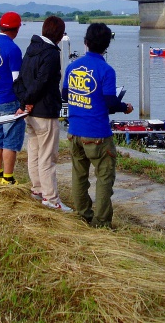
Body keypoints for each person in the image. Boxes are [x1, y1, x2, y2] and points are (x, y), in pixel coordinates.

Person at [62, 23, 134, 228]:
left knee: (79, 176)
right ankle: (101, 222)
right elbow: (110, 102)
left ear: (85, 42)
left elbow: (65, 96)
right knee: (104, 178)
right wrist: (124, 107)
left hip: (74, 131)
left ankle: (83, 214)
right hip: (97, 134)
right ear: (106, 46)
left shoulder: (72, 67)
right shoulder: (106, 70)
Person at [13, 16, 71, 211]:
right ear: (59, 34)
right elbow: (43, 82)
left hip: (30, 113)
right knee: (48, 156)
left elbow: (20, 80)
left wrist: (24, 102)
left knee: (35, 153)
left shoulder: (31, 49)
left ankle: (37, 189)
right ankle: (51, 198)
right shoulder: (52, 54)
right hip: (45, 111)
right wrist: (28, 101)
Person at [0, 12, 25, 185]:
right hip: (9, 99)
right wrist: (23, 102)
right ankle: (8, 178)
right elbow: (17, 79)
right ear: (16, 29)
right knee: (10, 140)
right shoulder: (13, 49)